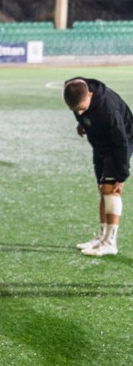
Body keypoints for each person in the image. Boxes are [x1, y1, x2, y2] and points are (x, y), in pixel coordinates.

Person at [63, 77, 133, 257]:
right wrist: (82, 122)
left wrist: (121, 175)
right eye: (75, 110)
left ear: (90, 95)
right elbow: (79, 110)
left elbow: (121, 143)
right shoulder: (75, 91)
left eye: (82, 108)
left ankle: (110, 243)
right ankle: (101, 237)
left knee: (111, 189)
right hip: (100, 143)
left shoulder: (108, 109)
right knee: (102, 188)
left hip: (119, 143)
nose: (79, 112)